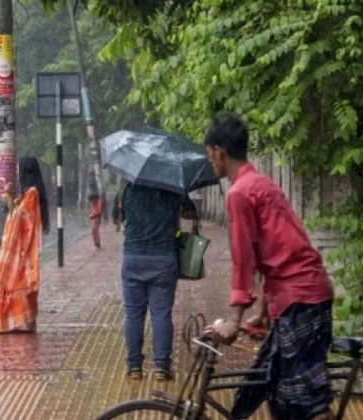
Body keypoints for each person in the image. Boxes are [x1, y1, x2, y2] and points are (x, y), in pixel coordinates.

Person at [204, 113, 334, 420]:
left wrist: (234, 321)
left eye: (209, 155)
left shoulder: (240, 193)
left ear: (219, 152)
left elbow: (244, 259)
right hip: (302, 293)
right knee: (268, 388)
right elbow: (278, 251)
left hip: (300, 298)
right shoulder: (261, 184)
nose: (210, 161)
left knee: (306, 402)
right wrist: (263, 311)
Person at [112, 179, 184, 381]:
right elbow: (188, 212)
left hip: (133, 257)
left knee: (133, 314)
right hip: (164, 257)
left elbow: (116, 219)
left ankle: (134, 366)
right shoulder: (172, 187)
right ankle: (162, 367)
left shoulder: (126, 189)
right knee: (161, 314)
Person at [0, 156, 50, 334]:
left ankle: (21, 321)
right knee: (17, 280)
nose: (18, 172)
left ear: (26, 171)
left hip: (22, 247)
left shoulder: (32, 193)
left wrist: (8, 196)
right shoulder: (28, 193)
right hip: (21, 246)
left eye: (20, 168)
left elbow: (19, 217)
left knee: (16, 280)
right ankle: (20, 321)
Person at [87, 169, 102, 248]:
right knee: (94, 230)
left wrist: (92, 216)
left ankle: (97, 243)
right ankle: (96, 243)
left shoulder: (98, 202)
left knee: (95, 229)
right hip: (94, 216)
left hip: (96, 217)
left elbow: (99, 211)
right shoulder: (93, 204)